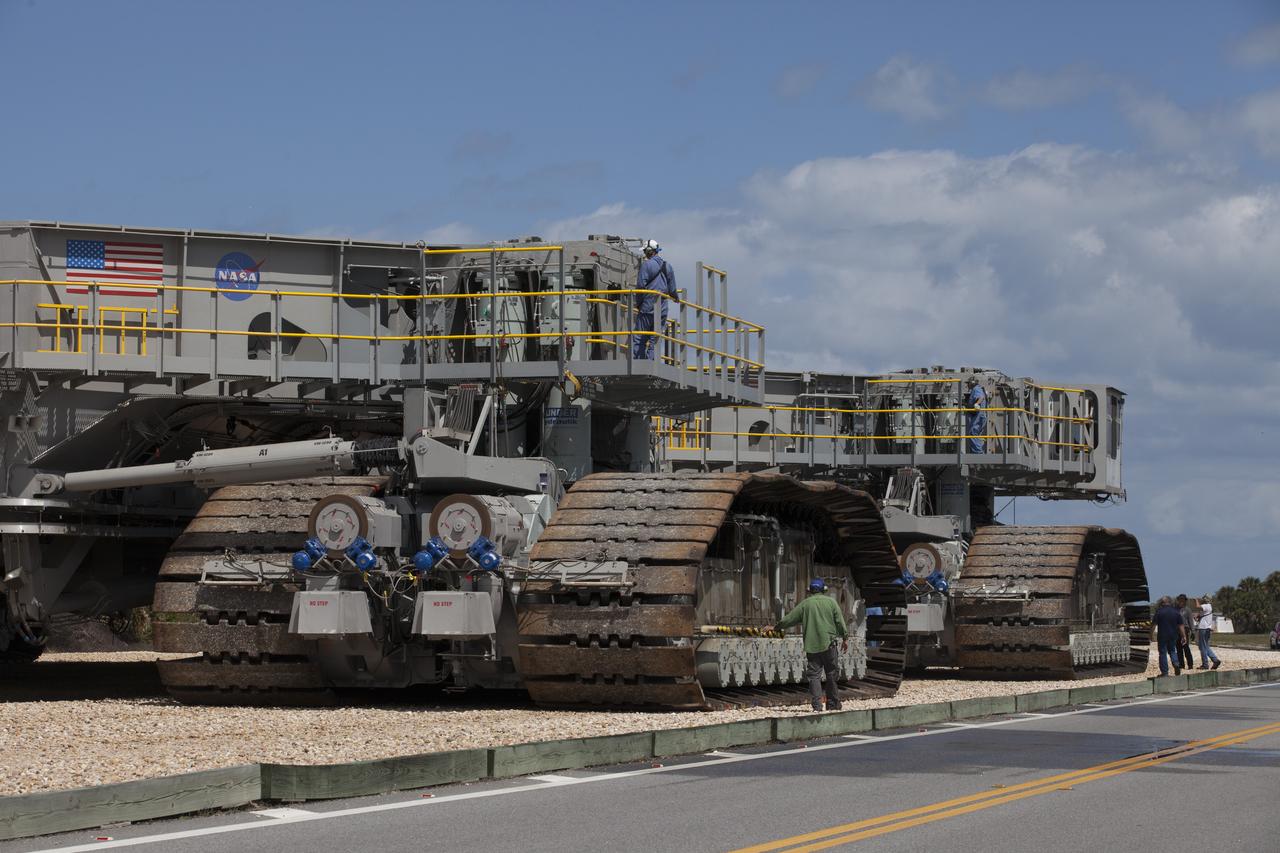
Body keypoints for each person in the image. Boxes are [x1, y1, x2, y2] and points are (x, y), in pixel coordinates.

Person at [775, 578, 849, 712]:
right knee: (831, 674)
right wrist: (845, 638)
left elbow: (789, 619)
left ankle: (817, 706)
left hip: (812, 646)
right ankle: (832, 705)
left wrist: (775, 627)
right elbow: (840, 622)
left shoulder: (805, 604)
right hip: (829, 644)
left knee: (814, 676)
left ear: (810, 591)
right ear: (824, 590)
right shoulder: (831, 603)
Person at [633, 239, 678, 360]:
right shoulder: (667, 266)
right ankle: (652, 363)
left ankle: (639, 363)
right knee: (655, 338)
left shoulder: (646, 265)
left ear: (649, 252)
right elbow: (672, 289)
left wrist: (638, 304)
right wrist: (676, 299)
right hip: (662, 308)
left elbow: (640, 287)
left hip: (648, 306)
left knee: (640, 337)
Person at [1152, 596, 1185, 677]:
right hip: (1173, 635)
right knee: (1172, 651)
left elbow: (1153, 625)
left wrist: (1151, 635)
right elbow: (1181, 625)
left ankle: (1165, 672)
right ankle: (1176, 663)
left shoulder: (1159, 612)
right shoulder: (1176, 612)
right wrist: (1184, 636)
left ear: (1162, 603)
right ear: (1170, 602)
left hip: (1162, 635)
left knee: (1163, 653)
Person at [1196, 598, 1222, 670]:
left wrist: (1196, 600)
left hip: (1203, 628)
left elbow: (1197, 606)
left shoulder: (1206, 606)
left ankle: (1205, 664)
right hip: (1207, 629)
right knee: (1205, 646)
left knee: (1202, 647)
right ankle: (1215, 660)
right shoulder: (1209, 607)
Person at [965, 378, 988, 454]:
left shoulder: (976, 389)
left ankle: (978, 453)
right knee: (975, 434)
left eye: (968, 383)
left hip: (978, 415)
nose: (967, 385)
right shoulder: (976, 389)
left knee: (973, 432)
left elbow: (981, 397)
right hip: (979, 416)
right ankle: (978, 452)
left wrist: (976, 404)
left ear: (972, 383)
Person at [1176, 594, 1196, 670]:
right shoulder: (1175, 609)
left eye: (1183, 600)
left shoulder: (1188, 610)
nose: (1181, 601)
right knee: (1178, 648)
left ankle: (1190, 664)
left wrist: (1193, 631)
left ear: (1185, 601)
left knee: (1186, 648)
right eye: (1180, 599)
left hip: (1185, 629)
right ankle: (1181, 665)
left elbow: (1191, 621)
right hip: (1176, 630)